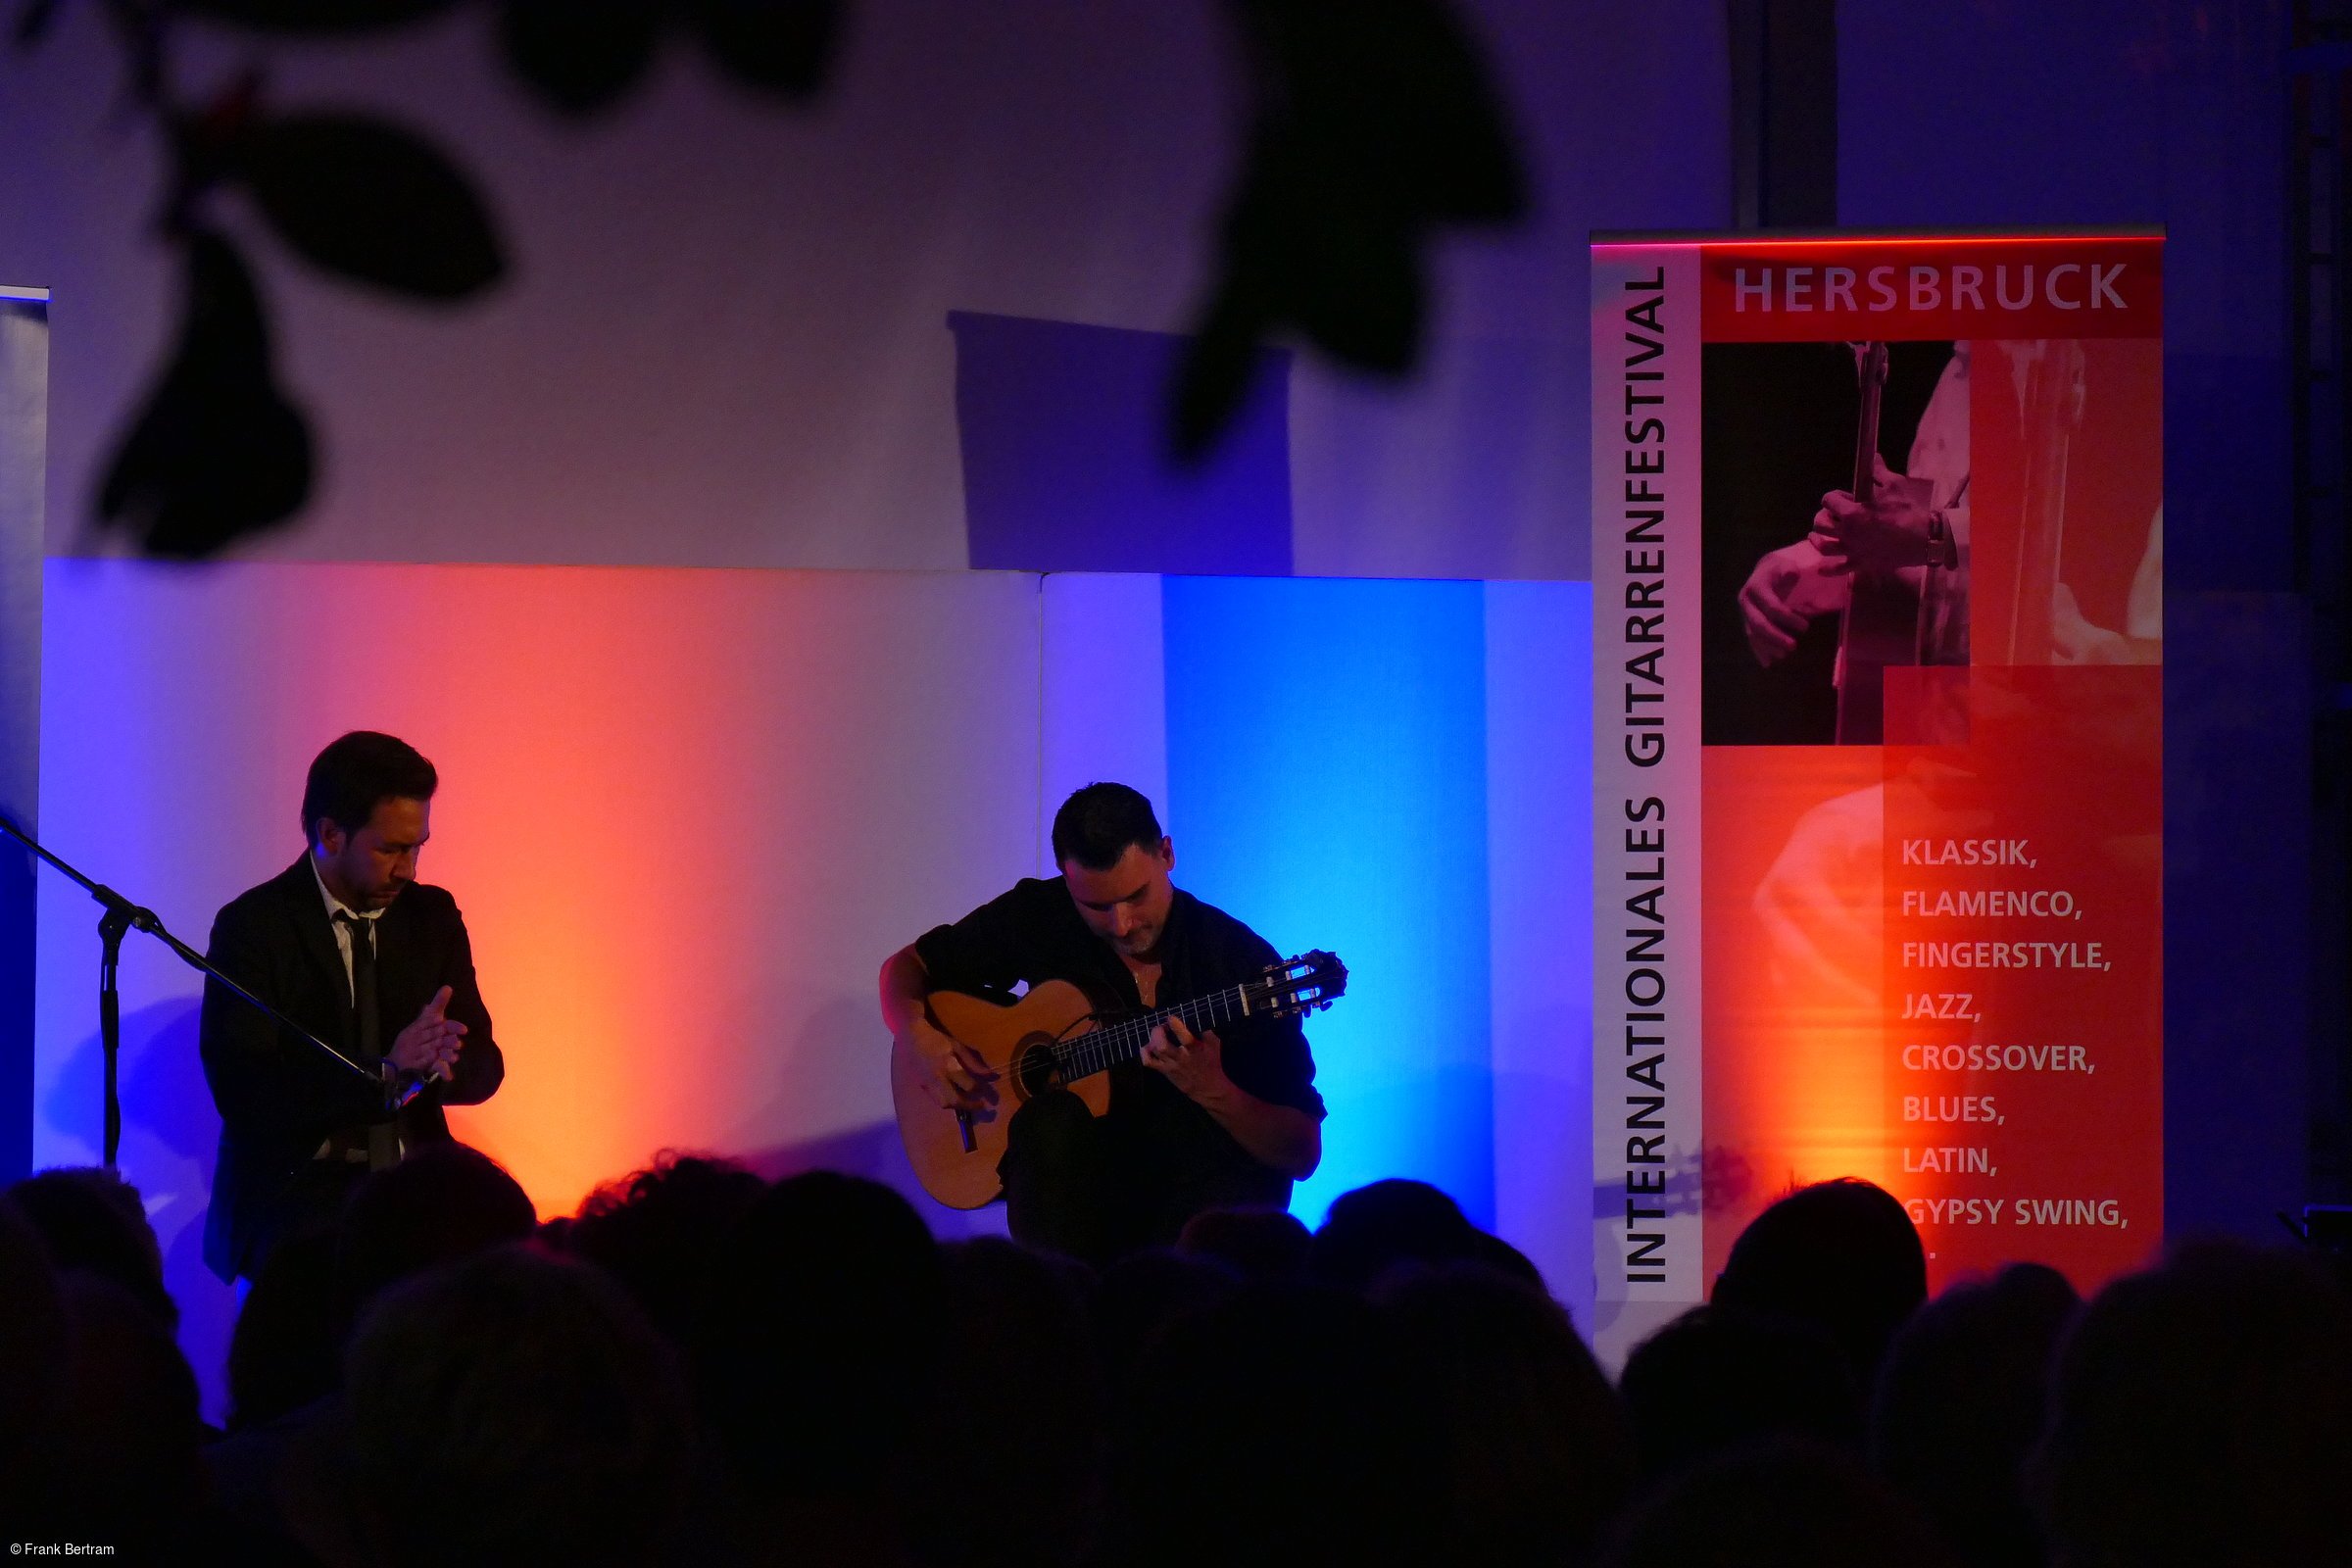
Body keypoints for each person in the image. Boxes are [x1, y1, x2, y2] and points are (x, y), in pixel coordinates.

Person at [879, 782, 1323, 1265]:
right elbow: (905, 969)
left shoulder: (1238, 963)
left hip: (1186, 1232)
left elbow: (1300, 1153)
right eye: (1097, 906)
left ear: (1166, 854)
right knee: (1049, 1124)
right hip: (1075, 1219)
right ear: (1066, 880)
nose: (1123, 924)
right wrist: (918, 1036)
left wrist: (1213, 1088)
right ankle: (1059, 1311)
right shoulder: (1041, 914)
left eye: (1136, 896)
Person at [200, 731, 504, 1284]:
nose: (409, 869)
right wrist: (386, 1072)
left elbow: (486, 1069)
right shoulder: (254, 926)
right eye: (390, 849)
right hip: (296, 1194)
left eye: (418, 847)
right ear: (330, 834)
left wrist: (440, 1061)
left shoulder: (432, 916)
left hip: (413, 1188)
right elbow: (245, 1095)